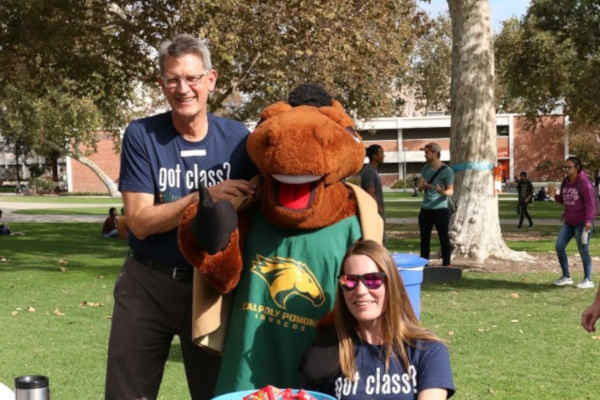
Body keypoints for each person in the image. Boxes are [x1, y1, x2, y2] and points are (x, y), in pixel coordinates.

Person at [104, 34, 257, 400]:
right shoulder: (143, 134)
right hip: (146, 282)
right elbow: (138, 221)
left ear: (211, 79)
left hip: (209, 287)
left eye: (192, 78)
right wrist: (205, 197)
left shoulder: (238, 138)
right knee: (127, 395)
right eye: (173, 79)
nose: (183, 88)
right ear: (161, 84)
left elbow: (261, 197)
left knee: (215, 393)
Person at [302, 240, 455, 399]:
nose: (361, 291)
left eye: (373, 280)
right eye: (350, 280)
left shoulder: (428, 350)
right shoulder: (326, 351)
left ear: (392, 284)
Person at [553, 157, 595, 289]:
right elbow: (565, 199)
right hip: (569, 222)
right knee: (559, 246)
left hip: (582, 222)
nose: (566, 170)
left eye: (569, 167)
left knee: (583, 250)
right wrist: (554, 195)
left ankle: (588, 279)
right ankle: (566, 277)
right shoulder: (565, 182)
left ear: (577, 168)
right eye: (564, 167)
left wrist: (588, 221)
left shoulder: (584, 183)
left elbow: (590, 204)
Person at [417, 143, 454, 267]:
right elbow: (420, 189)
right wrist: (421, 186)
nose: (425, 155)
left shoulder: (447, 171)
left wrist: (440, 191)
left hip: (440, 209)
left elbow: (450, 191)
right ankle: (424, 264)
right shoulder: (425, 168)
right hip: (425, 209)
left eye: (427, 152)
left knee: (443, 238)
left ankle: (447, 264)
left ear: (435, 153)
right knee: (424, 240)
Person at [361, 144, 386, 243]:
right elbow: (370, 192)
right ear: (374, 156)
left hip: (376, 210)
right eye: (381, 153)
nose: (383, 156)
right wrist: (378, 208)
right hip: (374, 211)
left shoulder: (372, 170)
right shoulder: (369, 171)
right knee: (377, 240)